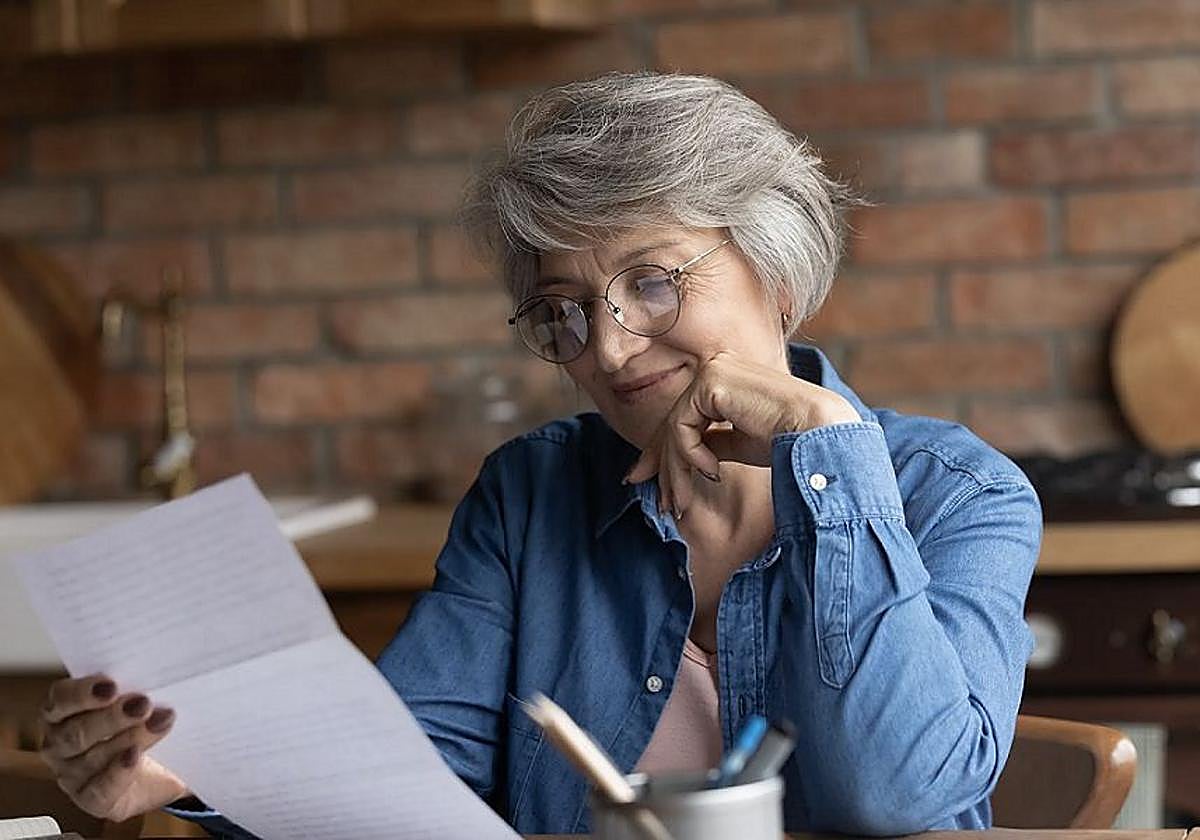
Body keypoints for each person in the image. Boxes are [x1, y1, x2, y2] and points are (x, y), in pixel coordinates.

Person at [37, 71, 1042, 837]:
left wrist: (828, 452)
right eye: (561, 312)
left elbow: (902, 793)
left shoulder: (958, 496)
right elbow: (407, 778)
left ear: (776, 274)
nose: (604, 349)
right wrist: (196, 764)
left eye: (652, 283)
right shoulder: (531, 492)